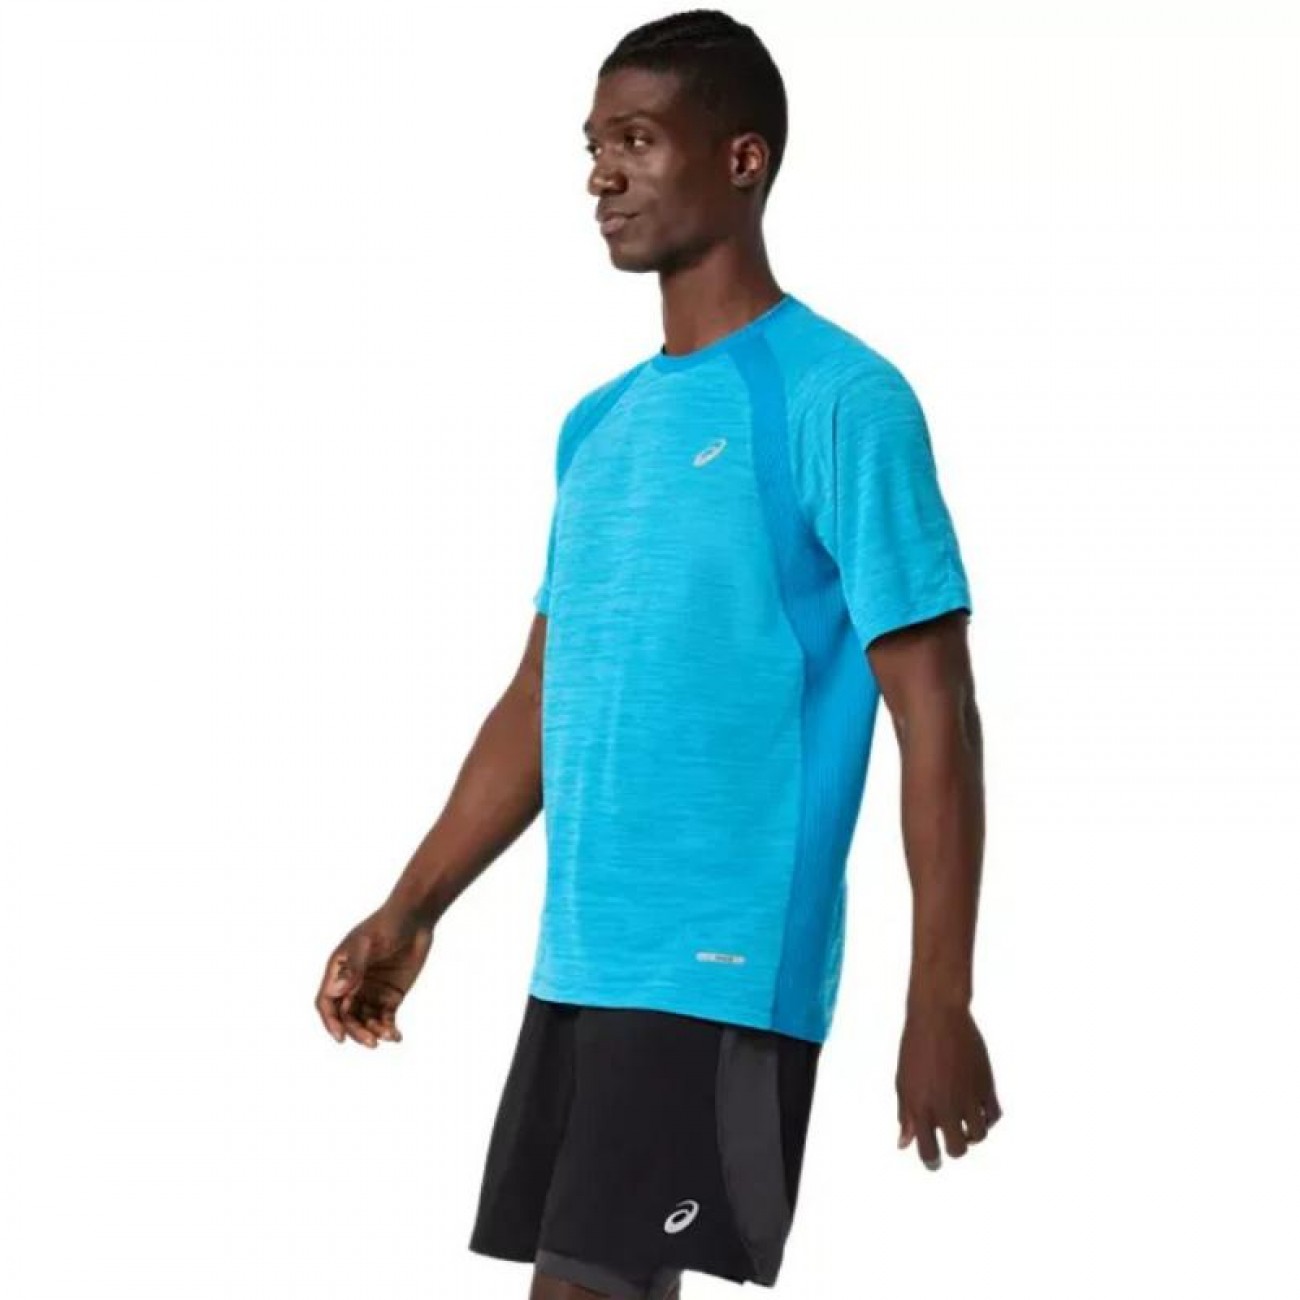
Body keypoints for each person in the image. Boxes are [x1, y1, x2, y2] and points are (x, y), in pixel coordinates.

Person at [314, 10, 1002, 1297]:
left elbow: (935, 714)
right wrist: (412, 905)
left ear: (742, 158)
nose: (600, 174)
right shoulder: (599, 427)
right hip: (582, 962)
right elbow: (543, 694)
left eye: (635, 140)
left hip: (717, 966)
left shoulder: (838, 399)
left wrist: (939, 997)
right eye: (591, 146)